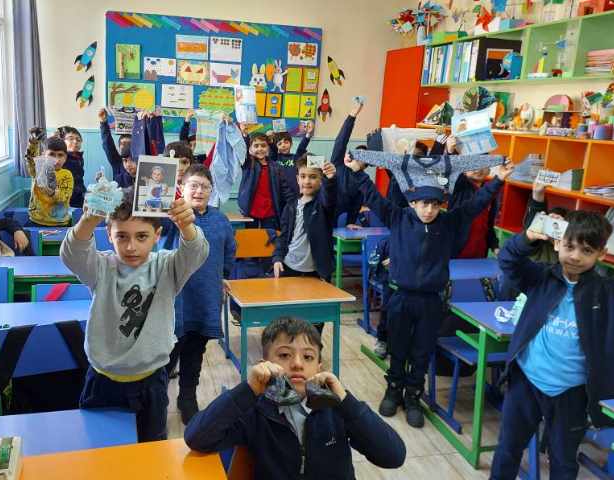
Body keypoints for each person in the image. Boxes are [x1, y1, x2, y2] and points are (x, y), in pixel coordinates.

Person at [353, 152, 513, 428]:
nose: (429, 210)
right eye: (424, 204)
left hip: (431, 301)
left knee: (421, 351)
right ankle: (394, 390)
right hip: (401, 298)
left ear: (442, 205)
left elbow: (476, 205)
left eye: (435, 205)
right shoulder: (398, 217)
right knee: (398, 348)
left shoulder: (448, 222)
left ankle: (414, 397)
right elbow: (373, 197)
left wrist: (498, 179)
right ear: (413, 203)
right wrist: (357, 172)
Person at [60, 189, 208, 442]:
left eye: (142, 236)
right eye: (122, 236)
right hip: (102, 381)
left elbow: (196, 252)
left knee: (151, 447)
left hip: (151, 382)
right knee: (101, 449)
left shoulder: (167, 266)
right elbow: (72, 253)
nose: (131, 247)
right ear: (109, 234)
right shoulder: (101, 267)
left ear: (157, 235)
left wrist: (186, 225)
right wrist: (90, 218)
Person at [184, 316, 406, 479]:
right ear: (265, 364)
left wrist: (346, 401)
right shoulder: (255, 408)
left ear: (319, 367)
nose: (298, 364)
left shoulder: (336, 407)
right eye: (284, 355)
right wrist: (248, 389)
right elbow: (197, 438)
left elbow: (393, 456)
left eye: (308, 357)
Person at [490, 210, 614, 479]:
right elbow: (508, 260)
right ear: (557, 243)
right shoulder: (541, 277)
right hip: (526, 381)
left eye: (587, 250)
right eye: (570, 246)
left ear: (601, 254)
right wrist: (527, 238)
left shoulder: (605, 293)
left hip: (572, 393)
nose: (575, 256)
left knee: (563, 461)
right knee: (508, 449)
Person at [162, 164, 236, 425]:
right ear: (181, 188)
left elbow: (229, 251)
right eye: (193, 185)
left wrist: (223, 276)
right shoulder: (171, 216)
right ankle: (157, 403)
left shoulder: (220, 220)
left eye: (205, 187)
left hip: (205, 297)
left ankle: (187, 398)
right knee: (167, 355)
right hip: (175, 299)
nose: (199, 191)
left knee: (195, 353)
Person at [272, 155, 337, 282]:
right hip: (289, 267)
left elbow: (329, 197)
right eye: (303, 176)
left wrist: (330, 180)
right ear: (297, 179)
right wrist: (277, 258)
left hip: (317, 272)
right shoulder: (290, 206)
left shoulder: (323, 205)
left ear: (321, 180)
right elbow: (284, 236)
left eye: (313, 177)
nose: (307, 181)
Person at [238, 131, 295, 230]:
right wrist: (245, 135)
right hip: (251, 212)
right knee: (251, 237)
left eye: (263, 146)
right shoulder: (249, 164)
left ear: (268, 147)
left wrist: (293, 203)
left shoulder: (276, 167)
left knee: (270, 238)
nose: (260, 148)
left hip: (270, 213)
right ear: (250, 148)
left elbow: (284, 189)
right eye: (256, 146)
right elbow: (243, 152)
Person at [25, 130, 74, 227]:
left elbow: (65, 196)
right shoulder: (38, 169)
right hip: (36, 220)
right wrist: (33, 142)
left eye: (60, 155)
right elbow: (30, 158)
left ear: (65, 158)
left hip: (59, 223)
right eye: (51, 154)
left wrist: (52, 193)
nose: (56, 159)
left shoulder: (67, 175)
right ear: (44, 155)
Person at [268, 122, 313, 197]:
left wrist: (308, 134)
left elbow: (301, 148)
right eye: (279, 144)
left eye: (286, 142)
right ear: (276, 146)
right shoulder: (275, 158)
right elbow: (272, 150)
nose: (283, 145)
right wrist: (270, 140)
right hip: (279, 194)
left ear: (291, 144)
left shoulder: (295, 158)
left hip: (295, 194)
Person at [99, 108, 136, 188]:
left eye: (129, 144)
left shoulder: (139, 162)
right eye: (123, 144)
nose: (125, 147)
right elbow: (108, 144)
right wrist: (103, 122)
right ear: (119, 147)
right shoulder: (117, 162)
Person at [57, 125, 86, 208]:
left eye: (78, 140)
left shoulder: (79, 158)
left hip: (78, 198)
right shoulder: (60, 158)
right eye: (71, 139)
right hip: (64, 200)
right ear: (63, 141)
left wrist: (85, 192)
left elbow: (79, 180)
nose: (75, 142)